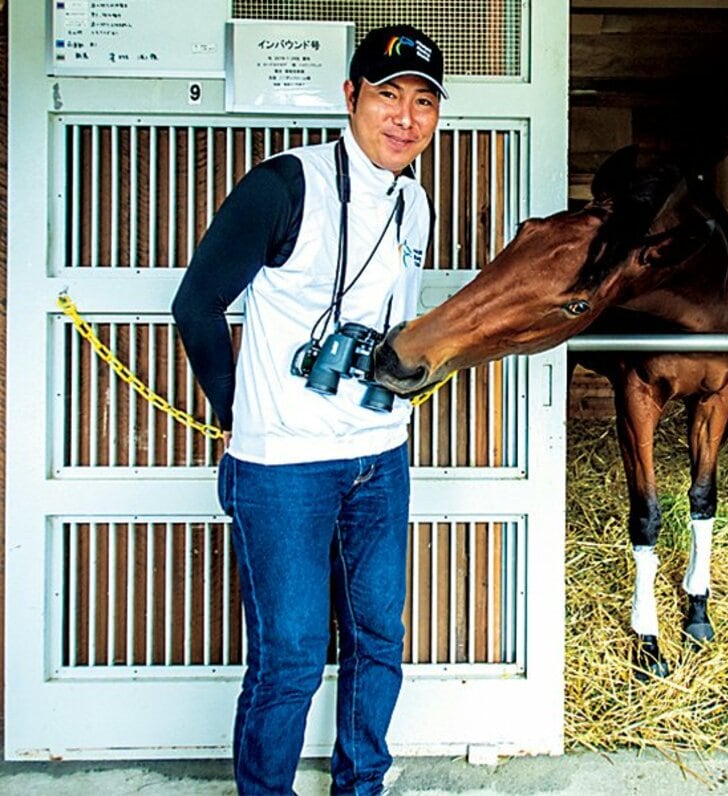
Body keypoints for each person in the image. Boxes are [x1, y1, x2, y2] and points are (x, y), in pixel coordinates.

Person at [172, 24, 446, 795]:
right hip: (282, 466)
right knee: (290, 655)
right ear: (350, 96)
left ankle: (362, 784)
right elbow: (195, 305)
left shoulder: (415, 203)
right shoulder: (286, 184)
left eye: (424, 102)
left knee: (378, 637)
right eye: (388, 95)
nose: (405, 117)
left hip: (381, 456)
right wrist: (236, 415)